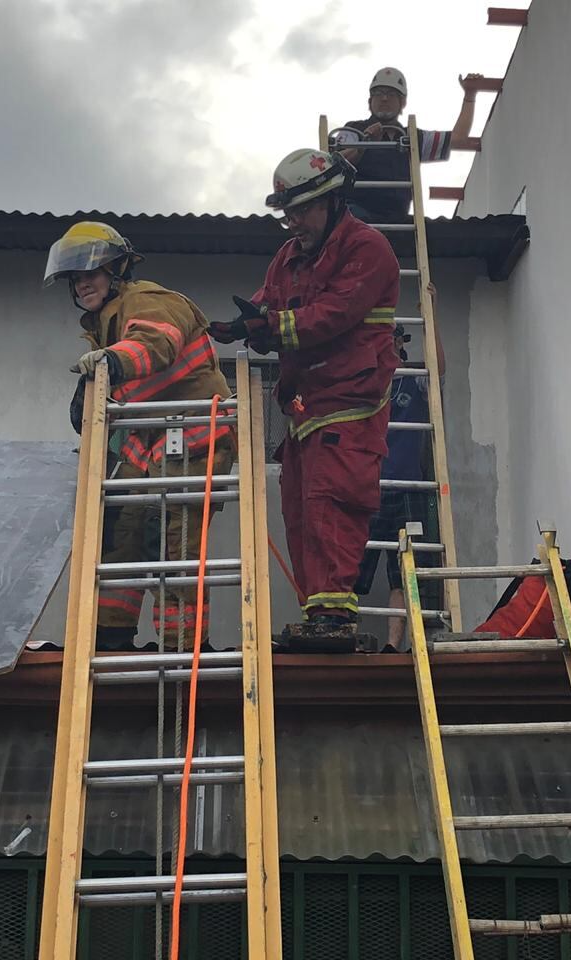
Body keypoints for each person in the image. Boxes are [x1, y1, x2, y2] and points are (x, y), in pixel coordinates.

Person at [208, 149, 399, 648]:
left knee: (331, 504)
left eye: (300, 211)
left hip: (351, 400)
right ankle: (320, 621)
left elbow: (333, 313)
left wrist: (269, 327)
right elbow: (271, 302)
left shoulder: (368, 249)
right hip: (304, 405)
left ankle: (335, 621)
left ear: (332, 201)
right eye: (287, 213)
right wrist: (245, 324)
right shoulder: (290, 256)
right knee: (300, 511)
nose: (292, 223)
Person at [44, 221, 233, 651]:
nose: (82, 283)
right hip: (149, 447)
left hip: (192, 440)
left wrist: (107, 363)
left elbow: (153, 345)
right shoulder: (105, 320)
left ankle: (182, 649)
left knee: (173, 549)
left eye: (91, 273)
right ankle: (110, 636)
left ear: (118, 270)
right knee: (119, 539)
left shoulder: (146, 300)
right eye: (76, 278)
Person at [353, 285, 445, 650]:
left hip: (408, 487)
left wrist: (431, 315)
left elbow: (437, 369)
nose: (390, 345)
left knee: (403, 571)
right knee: (350, 567)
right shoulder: (368, 384)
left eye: (395, 339)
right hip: (367, 486)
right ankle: (344, 637)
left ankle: (394, 644)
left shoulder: (412, 379)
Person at [335, 67, 483, 223]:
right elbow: (334, 163)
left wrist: (469, 96)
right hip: (357, 214)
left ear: (402, 102)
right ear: (369, 101)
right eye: (378, 93)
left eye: (391, 94)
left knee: (439, 230)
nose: (384, 98)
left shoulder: (412, 137)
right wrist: (364, 143)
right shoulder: (353, 130)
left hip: (398, 219)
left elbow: (458, 139)